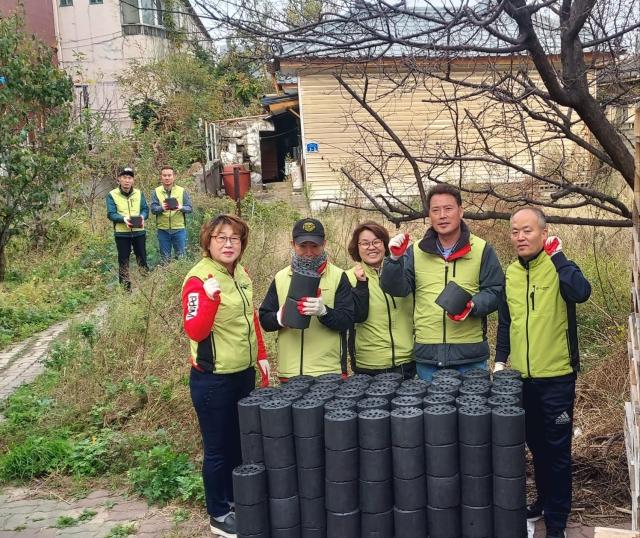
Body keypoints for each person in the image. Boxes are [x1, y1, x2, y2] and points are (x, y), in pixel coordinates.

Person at [495, 207, 591, 538]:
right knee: (535, 445)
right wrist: (500, 361)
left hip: (557, 377)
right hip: (522, 378)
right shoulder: (510, 273)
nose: (520, 237)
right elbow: (506, 322)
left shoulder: (561, 267)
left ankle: (558, 520)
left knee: (557, 451)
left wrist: (560, 257)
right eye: (515, 231)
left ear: (543, 232)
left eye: (527, 231)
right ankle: (543, 501)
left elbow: (582, 292)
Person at [182, 214, 269, 537]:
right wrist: (209, 298)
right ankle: (217, 513)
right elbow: (195, 328)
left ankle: (234, 501)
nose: (229, 244)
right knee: (217, 449)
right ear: (208, 242)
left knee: (238, 443)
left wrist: (261, 356)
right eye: (221, 237)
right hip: (213, 379)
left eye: (235, 238)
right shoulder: (199, 278)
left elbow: (251, 318)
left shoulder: (240, 274)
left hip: (242, 374)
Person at [380, 184, 504, 381]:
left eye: (448, 209)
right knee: (432, 412)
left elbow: (496, 290)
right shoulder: (415, 251)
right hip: (428, 356)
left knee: (473, 411)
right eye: (435, 210)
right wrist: (394, 260)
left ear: (461, 211)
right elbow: (396, 288)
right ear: (429, 215)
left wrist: (473, 305)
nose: (442, 215)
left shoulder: (481, 249)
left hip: (470, 356)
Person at [259, 217, 354, 379]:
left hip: (328, 373)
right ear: (293, 245)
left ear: (324, 244)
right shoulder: (281, 277)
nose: (309, 253)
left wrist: (324, 312)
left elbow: (347, 320)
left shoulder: (339, 276)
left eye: (315, 246)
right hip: (289, 373)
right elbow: (265, 320)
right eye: (303, 246)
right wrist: (279, 318)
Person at [346, 221, 415, 379]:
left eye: (377, 241)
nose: (371, 247)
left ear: (385, 244)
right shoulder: (349, 278)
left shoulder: (403, 272)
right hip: (369, 365)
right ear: (356, 247)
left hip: (406, 362)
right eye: (364, 243)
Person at [106, 167, 149, 290]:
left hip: (139, 232)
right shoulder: (112, 195)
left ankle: (147, 286)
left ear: (133, 180)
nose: (127, 180)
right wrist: (123, 219)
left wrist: (142, 217)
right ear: (119, 179)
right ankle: (125, 290)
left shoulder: (139, 193)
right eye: (124, 177)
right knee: (123, 261)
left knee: (142, 258)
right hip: (121, 233)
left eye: (129, 178)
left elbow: (145, 209)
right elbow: (111, 213)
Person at [150, 165, 193, 263]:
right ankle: (166, 277)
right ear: (161, 177)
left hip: (179, 229)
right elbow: (153, 209)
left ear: (174, 176)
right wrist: (162, 208)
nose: (167, 178)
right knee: (165, 259)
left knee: (181, 257)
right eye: (164, 175)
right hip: (163, 230)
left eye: (169, 175)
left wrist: (180, 207)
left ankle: (180, 277)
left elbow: (189, 208)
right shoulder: (156, 192)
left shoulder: (182, 191)